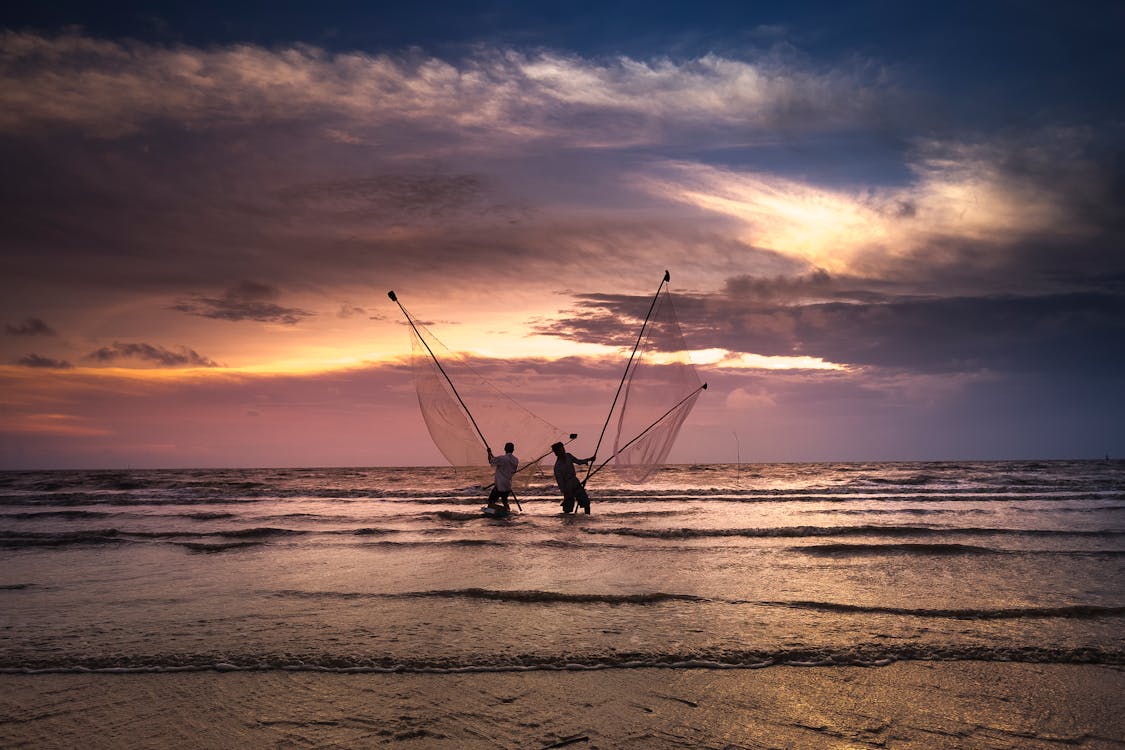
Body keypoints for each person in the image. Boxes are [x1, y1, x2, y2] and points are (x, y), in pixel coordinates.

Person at [551, 442, 595, 514]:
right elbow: (560, 482)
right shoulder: (557, 467)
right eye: (561, 450)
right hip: (567, 488)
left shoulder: (568, 456)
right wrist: (565, 492)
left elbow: (578, 461)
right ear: (556, 453)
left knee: (586, 503)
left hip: (575, 483)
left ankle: (588, 519)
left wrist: (588, 460)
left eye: (563, 448)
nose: (563, 451)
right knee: (568, 509)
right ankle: (568, 523)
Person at [486, 442, 518, 515]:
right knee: (504, 500)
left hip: (499, 485)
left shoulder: (502, 458)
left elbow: (491, 461)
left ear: (505, 449)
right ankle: (507, 512)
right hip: (508, 485)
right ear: (513, 450)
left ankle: (489, 513)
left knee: (491, 501)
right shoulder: (516, 460)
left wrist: (488, 453)